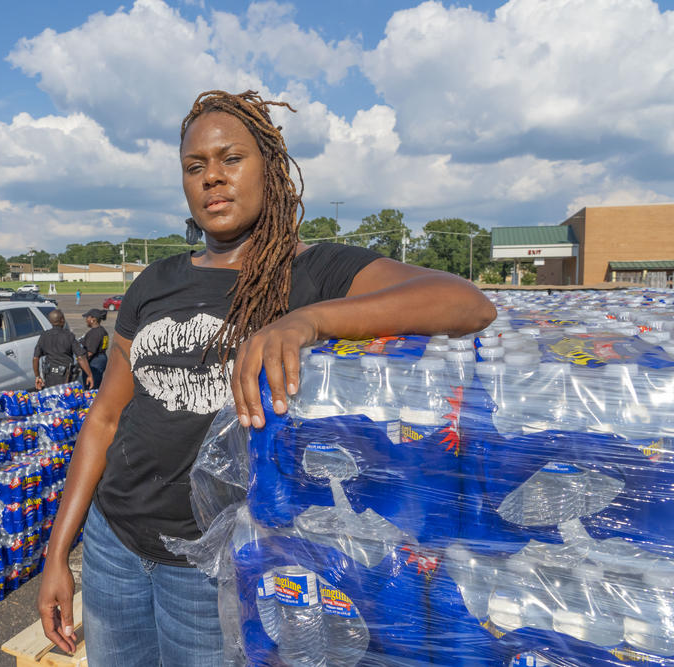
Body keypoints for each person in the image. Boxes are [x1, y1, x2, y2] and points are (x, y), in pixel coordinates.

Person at [37, 90, 496, 666]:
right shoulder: (156, 281)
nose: (212, 179)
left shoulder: (312, 271)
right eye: (195, 166)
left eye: (231, 159)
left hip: (213, 570)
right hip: (114, 547)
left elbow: (464, 302)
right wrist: (60, 552)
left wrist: (309, 320)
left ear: (271, 169)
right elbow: (104, 420)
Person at [33, 309, 94, 390]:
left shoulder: (44, 336)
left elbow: (35, 358)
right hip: (65, 377)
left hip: (49, 376)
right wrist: (89, 375)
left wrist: (37, 376)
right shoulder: (69, 336)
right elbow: (80, 357)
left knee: (51, 398)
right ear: (62, 320)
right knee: (66, 399)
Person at [79, 308, 109, 388]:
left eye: (87, 317)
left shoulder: (94, 333)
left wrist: (81, 362)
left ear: (93, 319)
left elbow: (90, 352)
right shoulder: (102, 330)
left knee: (91, 386)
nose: (86, 320)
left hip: (95, 361)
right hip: (101, 358)